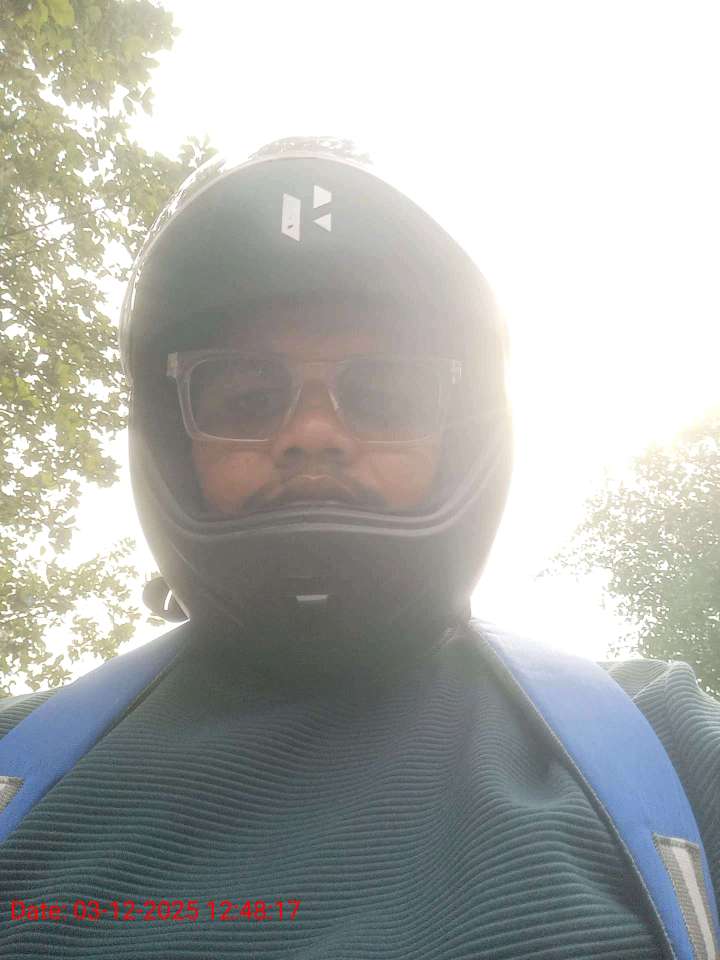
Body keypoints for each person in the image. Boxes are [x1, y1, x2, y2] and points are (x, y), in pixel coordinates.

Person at [0, 140, 718, 959]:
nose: (312, 433)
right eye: (246, 395)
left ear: (461, 436)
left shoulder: (666, 747)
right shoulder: (13, 769)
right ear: (173, 445)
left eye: (385, 393)